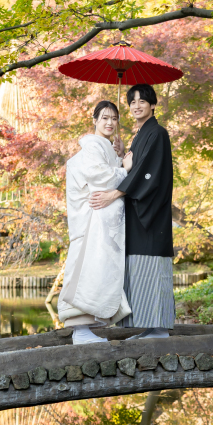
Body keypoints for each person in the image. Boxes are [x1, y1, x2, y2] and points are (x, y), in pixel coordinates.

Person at [89, 84, 175, 338]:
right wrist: (121, 153)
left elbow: (147, 172)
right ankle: (148, 327)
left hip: (151, 215)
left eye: (142, 101)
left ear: (153, 105)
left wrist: (114, 194)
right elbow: (132, 167)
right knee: (138, 270)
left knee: (151, 268)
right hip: (138, 215)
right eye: (132, 102)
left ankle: (158, 328)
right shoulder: (141, 135)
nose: (136, 106)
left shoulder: (157, 133)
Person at [58, 101, 132, 344]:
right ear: (95, 120)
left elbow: (107, 169)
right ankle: (80, 330)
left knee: (99, 269)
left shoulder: (105, 145)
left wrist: (118, 155)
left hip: (103, 220)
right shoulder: (92, 145)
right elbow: (101, 178)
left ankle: (87, 328)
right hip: (93, 218)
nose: (110, 123)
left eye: (114, 118)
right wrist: (124, 168)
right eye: (105, 118)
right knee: (87, 269)